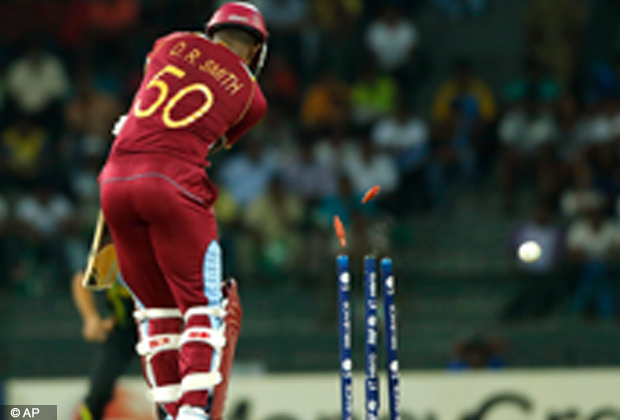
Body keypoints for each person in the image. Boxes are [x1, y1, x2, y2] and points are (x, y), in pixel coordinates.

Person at [98, 3, 268, 420]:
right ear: (255, 52)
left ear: (211, 32)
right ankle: (191, 413)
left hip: (115, 180)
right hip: (173, 185)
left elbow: (151, 94)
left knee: (156, 313)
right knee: (201, 307)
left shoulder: (169, 43)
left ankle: (170, 412)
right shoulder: (252, 97)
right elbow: (210, 136)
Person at [71, 271, 138, 420]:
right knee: (98, 392)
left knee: (167, 388)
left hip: (156, 329)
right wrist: (91, 318)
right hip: (121, 330)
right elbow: (81, 279)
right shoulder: (109, 253)